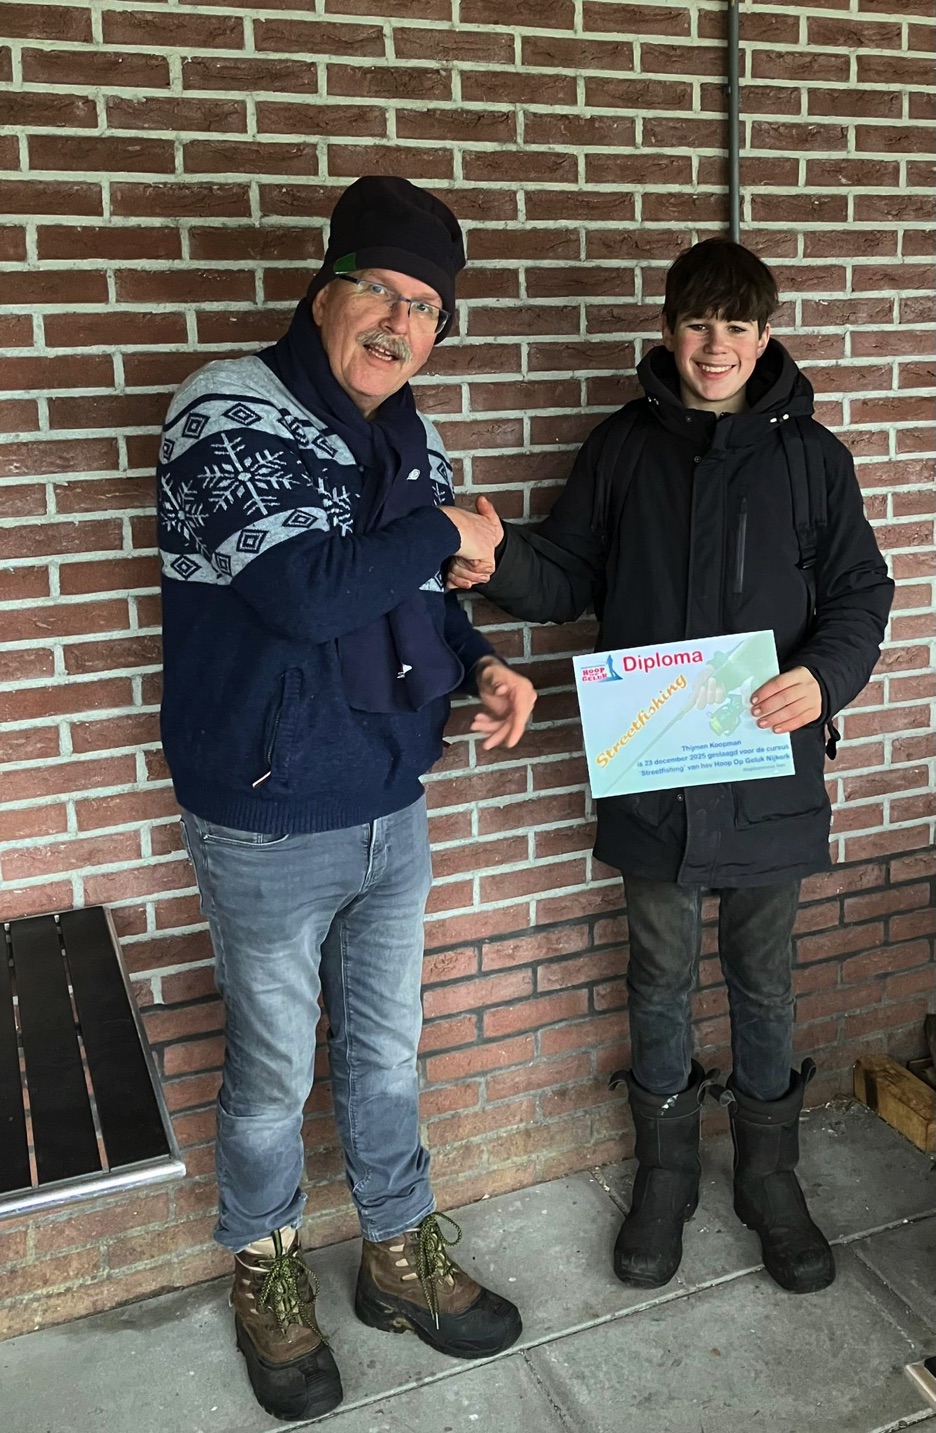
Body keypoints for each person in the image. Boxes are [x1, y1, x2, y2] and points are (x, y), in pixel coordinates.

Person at [449, 238, 894, 1299]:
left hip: (769, 773)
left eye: (737, 325)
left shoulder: (813, 458)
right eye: (698, 322)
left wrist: (824, 678)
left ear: (766, 335)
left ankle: (770, 1178)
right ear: (667, 330)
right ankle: (666, 1174)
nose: (715, 345)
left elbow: (860, 592)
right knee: (657, 974)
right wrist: (499, 555)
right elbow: (566, 574)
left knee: (764, 978)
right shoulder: (623, 447)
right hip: (655, 772)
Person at [156, 176, 533, 1423]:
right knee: (272, 1070)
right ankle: (265, 1271)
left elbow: (421, 593)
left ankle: (396, 1253)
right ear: (325, 291)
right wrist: (447, 528)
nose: (401, 322)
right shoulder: (227, 408)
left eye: (427, 307)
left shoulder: (413, 440)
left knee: (385, 1052)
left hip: (390, 797)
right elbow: (308, 592)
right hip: (267, 811)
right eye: (380, 290)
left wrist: (482, 661)